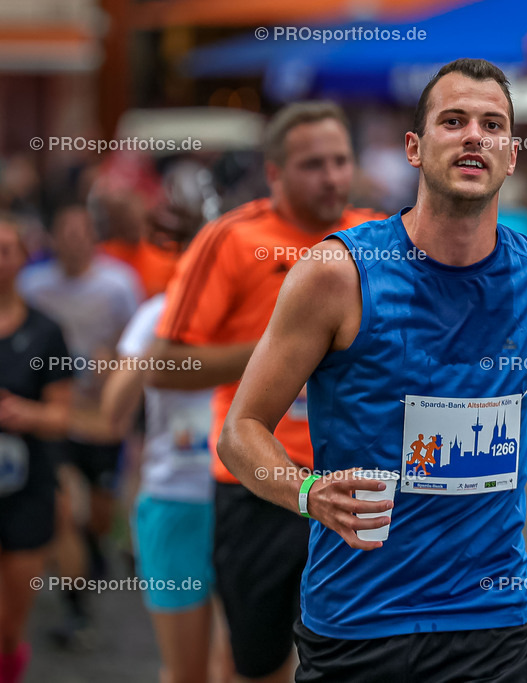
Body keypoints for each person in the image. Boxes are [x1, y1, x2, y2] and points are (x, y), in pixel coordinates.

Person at [218, 58, 527, 682]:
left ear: (512, 155)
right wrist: (305, 493)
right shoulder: (338, 275)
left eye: (493, 124)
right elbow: (241, 428)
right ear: (414, 147)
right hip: (360, 620)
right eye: (454, 120)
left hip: (490, 617)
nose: (474, 136)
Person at [149, 101, 382, 683]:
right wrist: (288, 350)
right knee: (258, 664)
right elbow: (164, 365)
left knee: (363, 657)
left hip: (358, 482)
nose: (331, 177)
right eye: (312, 165)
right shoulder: (230, 239)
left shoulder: (379, 237)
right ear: (274, 172)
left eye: (340, 160)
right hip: (262, 485)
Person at [97, 165, 232, 683]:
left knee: (243, 665)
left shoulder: (258, 310)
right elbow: (112, 414)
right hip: (175, 499)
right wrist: (175, 319)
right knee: (185, 672)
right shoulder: (156, 313)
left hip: (245, 499)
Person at [16, 204, 142, 646]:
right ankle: (76, 607)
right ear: (52, 239)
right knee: (65, 510)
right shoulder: (33, 285)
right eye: (64, 232)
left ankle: (93, 558)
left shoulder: (119, 283)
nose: (72, 240)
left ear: (93, 237)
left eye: (80, 232)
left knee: (100, 514)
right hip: (57, 413)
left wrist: (121, 386)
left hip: (101, 416)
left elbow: (138, 344)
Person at [0, 216, 74, 683]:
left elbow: (62, 417)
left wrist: (22, 414)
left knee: (8, 627)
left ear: (23, 258)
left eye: (6, 249)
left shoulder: (47, 332)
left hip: (26, 493)